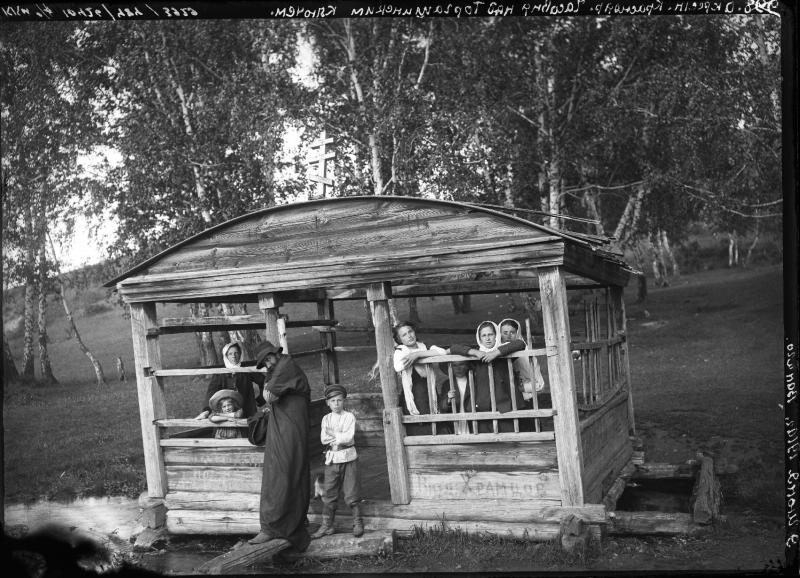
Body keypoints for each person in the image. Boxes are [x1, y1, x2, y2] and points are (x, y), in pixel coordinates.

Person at [248, 340, 312, 552]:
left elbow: (270, 395)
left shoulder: (285, 366)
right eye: (264, 361)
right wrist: (268, 387)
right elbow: (268, 395)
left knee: (284, 471)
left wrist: (269, 388)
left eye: (268, 358)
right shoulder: (277, 368)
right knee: (281, 471)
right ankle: (282, 524)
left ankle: (276, 526)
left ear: (276, 353)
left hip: (290, 427)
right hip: (283, 424)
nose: (267, 363)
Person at [449, 321, 526, 433]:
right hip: (483, 405)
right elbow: (454, 348)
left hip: (505, 404)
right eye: (484, 336)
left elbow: (520, 344)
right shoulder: (477, 354)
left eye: (490, 334)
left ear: (496, 336)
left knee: (509, 440)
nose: (488, 338)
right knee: (486, 444)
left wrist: (496, 353)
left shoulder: (504, 351)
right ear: (479, 339)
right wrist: (474, 352)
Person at [311, 384, 364, 539]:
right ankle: (327, 525)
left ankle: (357, 522)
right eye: (333, 401)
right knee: (329, 491)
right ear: (328, 403)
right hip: (332, 458)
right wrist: (339, 436)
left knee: (351, 490)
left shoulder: (349, 417)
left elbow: (348, 438)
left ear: (344, 401)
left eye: (339, 400)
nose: (336, 403)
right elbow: (324, 439)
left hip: (348, 458)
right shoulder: (326, 419)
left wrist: (334, 434)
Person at [392, 321, 448, 436]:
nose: (409, 336)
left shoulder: (424, 346)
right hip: (414, 395)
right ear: (399, 339)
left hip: (430, 392)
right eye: (404, 335)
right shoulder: (401, 351)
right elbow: (398, 367)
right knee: (419, 426)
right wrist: (415, 356)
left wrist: (417, 355)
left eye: (410, 331)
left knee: (436, 422)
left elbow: (442, 352)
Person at [195, 342, 265, 426]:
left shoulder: (246, 370)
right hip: (225, 412)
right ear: (226, 356)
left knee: (247, 433)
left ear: (240, 354)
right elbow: (211, 392)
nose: (234, 356)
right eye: (230, 354)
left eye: (236, 353)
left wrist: (259, 400)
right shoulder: (220, 373)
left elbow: (264, 382)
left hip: (246, 409)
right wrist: (206, 410)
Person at [440, 359, 475, 435]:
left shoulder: (473, 381)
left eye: (461, 364)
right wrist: (448, 399)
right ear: (451, 368)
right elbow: (442, 408)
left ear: (467, 366)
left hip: (471, 417)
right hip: (455, 420)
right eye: (454, 365)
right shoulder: (447, 384)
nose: (458, 368)